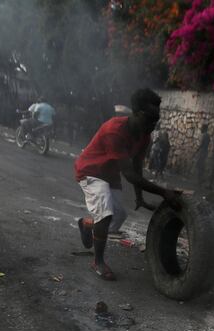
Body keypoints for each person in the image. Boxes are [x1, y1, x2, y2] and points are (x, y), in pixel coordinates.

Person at [74, 88, 180, 281]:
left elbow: (137, 166)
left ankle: (86, 223)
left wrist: (139, 197)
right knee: (105, 215)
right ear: (137, 113)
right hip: (91, 171)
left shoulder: (144, 136)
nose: (153, 125)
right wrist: (164, 193)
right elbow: (129, 174)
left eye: (156, 121)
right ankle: (97, 261)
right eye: (149, 119)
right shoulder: (114, 131)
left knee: (118, 216)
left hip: (110, 175)